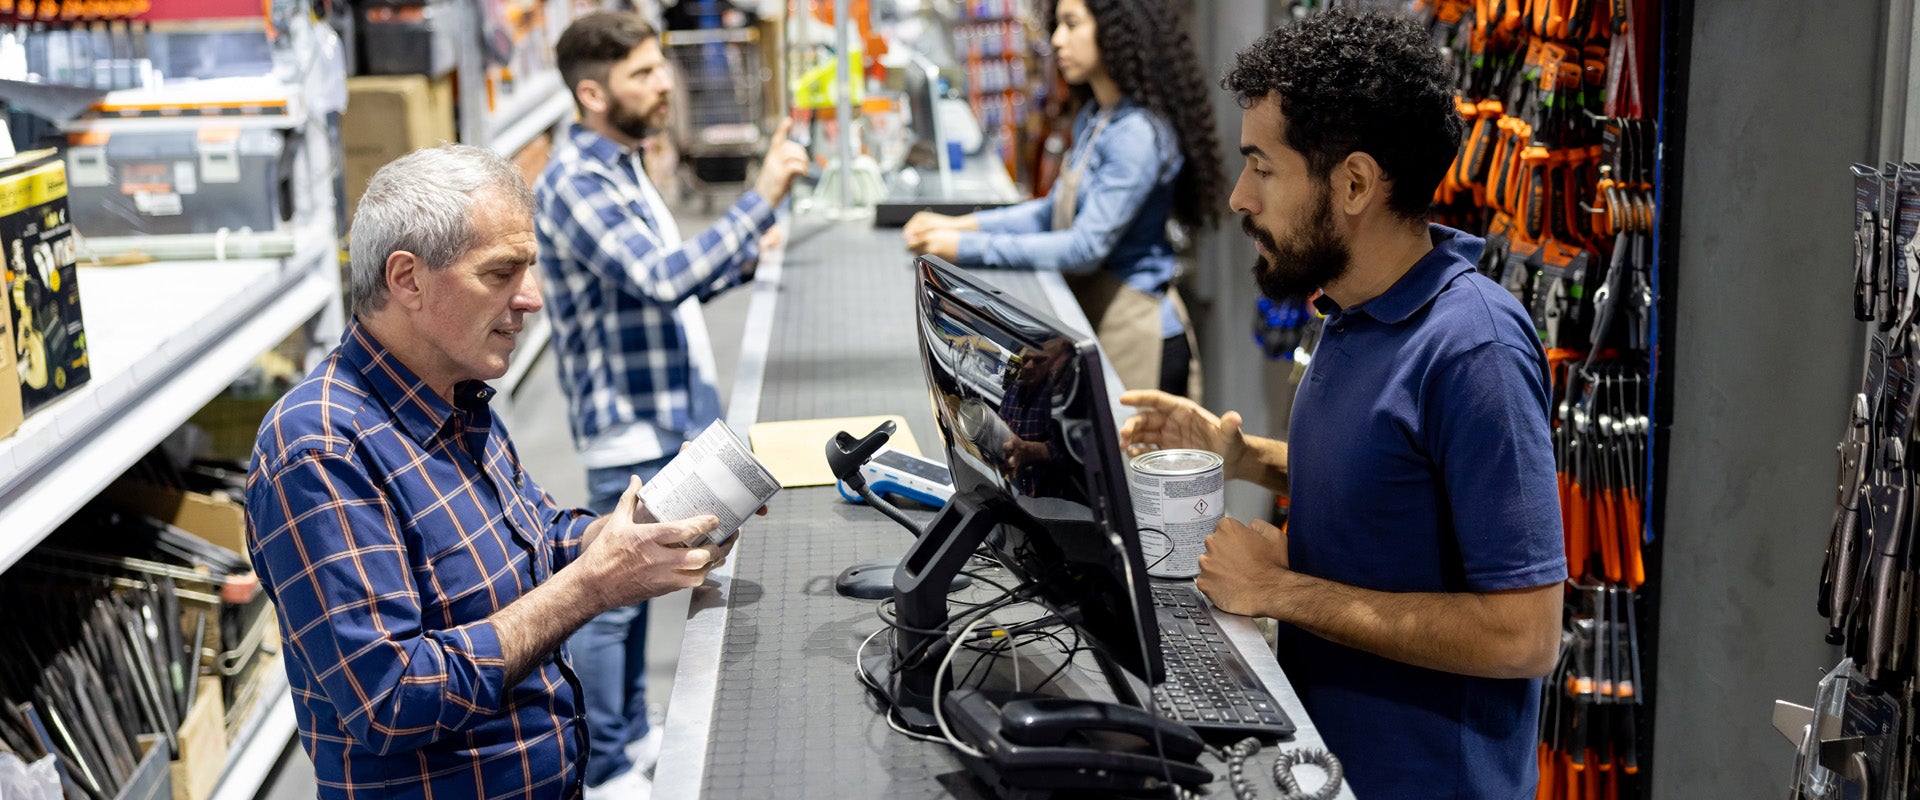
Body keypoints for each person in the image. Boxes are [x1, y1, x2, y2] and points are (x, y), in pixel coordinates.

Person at [1119, 12, 1566, 799]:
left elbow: (1525, 637)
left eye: (1263, 168)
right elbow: (1394, 483)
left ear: (1354, 184)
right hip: (1327, 763)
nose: (1239, 198)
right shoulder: (1354, 310)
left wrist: (1276, 590)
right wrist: (1246, 458)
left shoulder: (1476, 350)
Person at [244, 144, 736, 800]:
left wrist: (643, 530)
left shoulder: (455, 394)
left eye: (528, 269)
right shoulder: (320, 450)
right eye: (501, 273)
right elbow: (393, 699)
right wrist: (594, 586)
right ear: (408, 279)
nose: (531, 299)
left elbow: (536, 541)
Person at [533, 11, 808, 796]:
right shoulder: (576, 181)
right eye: (644, 74)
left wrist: (743, 257)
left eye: (661, 67)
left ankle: (624, 736)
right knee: (611, 597)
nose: (665, 84)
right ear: (592, 93)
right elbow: (661, 278)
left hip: (666, 407)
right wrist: (758, 201)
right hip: (630, 422)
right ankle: (605, 767)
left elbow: (666, 284)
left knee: (638, 585)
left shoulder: (621, 164)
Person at [902, 0, 1224, 401]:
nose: (1057, 40)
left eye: (1072, 24)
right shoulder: (1098, 116)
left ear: (1115, 31)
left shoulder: (1137, 133)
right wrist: (959, 224)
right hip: (1103, 320)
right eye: (1057, 25)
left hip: (1139, 338)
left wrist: (965, 247)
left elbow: (1084, 248)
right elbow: (1050, 211)